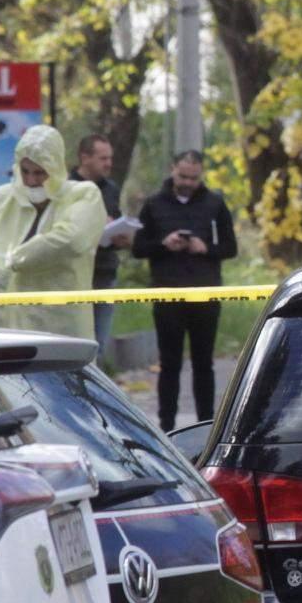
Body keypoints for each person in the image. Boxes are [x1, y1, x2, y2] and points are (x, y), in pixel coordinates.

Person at [0, 125, 106, 342]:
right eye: (25, 171)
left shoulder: (83, 195)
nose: (31, 180)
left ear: (56, 169)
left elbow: (71, 240)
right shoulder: (0, 199)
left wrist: (14, 259)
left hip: (60, 330)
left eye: (40, 173)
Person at [134, 149, 240, 430]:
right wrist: (163, 243)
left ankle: (205, 425)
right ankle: (167, 425)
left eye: (194, 178)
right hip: (167, 292)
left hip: (205, 292)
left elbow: (231, 248)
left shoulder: (215, 203)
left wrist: (205, 249)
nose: (188, 182)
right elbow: (138, 248)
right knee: (169, 364)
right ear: (172, 169)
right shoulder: (154, 204)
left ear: (201, 175)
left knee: (203, 363)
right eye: (183, 176)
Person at [75, 133, 128, 354]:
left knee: (99, 345)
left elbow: (115, 221)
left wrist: (120, 235)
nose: (109, 164)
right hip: (75, 277)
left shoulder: (111, 189)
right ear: (84, 158)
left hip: (104, 274)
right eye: (102, 158)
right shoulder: (66, 187)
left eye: (110, 158)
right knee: (75, 344)